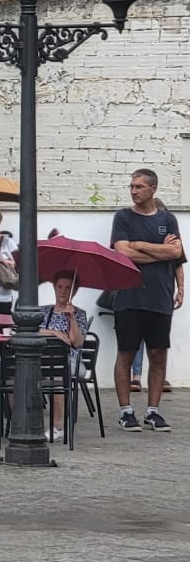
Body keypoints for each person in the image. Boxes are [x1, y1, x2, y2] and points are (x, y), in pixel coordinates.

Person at [111, 168, 182, 431]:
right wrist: (160, 251)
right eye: (132, 186)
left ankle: (153, 412)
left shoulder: (169, 219)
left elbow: (176, 252)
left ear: (153, 189)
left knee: (158, 354)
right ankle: (126, 411)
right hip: (129, 296)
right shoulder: (123, 218)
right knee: (126, 354)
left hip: (160, 297)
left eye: (139, 186)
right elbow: (122, 253)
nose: (133, 191)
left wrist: (139, 245)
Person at [41, 270, 89, 442]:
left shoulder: (79, 314)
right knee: (15, 373)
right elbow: (33, 330)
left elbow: (76, 342)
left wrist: (72, 319)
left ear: (74, 291)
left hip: (71, 361)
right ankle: (20, 422)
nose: (62, 291)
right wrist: (55, 333)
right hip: (44, 359)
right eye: (59, 286)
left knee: (57, 373)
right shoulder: (44, 311)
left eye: (67, 288)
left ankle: (58, 426)